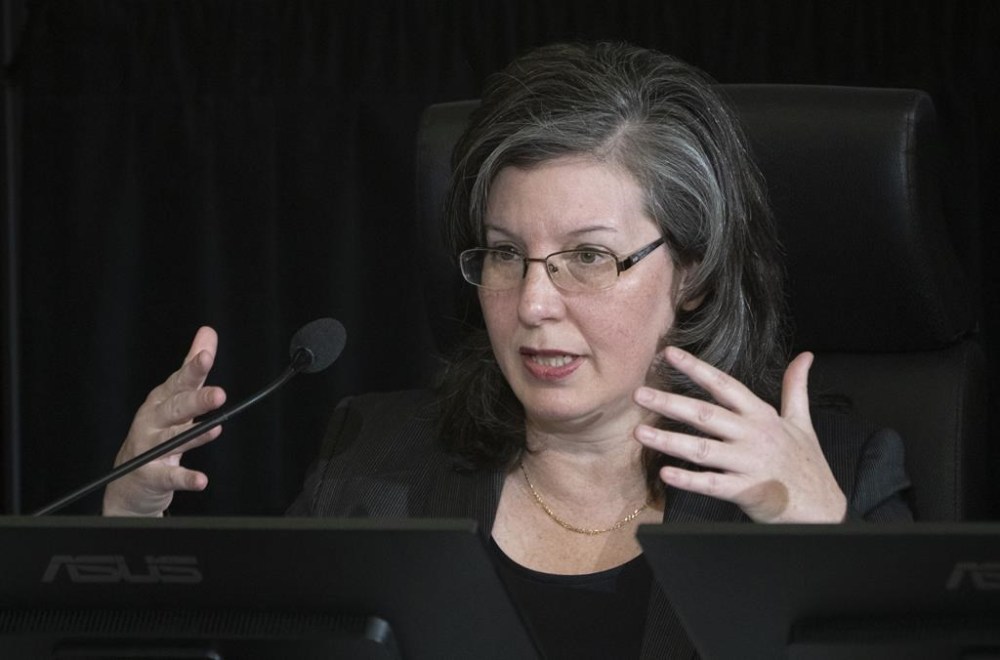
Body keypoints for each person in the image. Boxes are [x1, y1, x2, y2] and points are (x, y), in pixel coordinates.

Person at [103, 42, 912, 658]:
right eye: (502, 254)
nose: (531, 303)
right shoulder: (372, 465)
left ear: (692, 274)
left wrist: (822, 542)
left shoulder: (841, 478)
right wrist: (124, 537)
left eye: (588, 258)